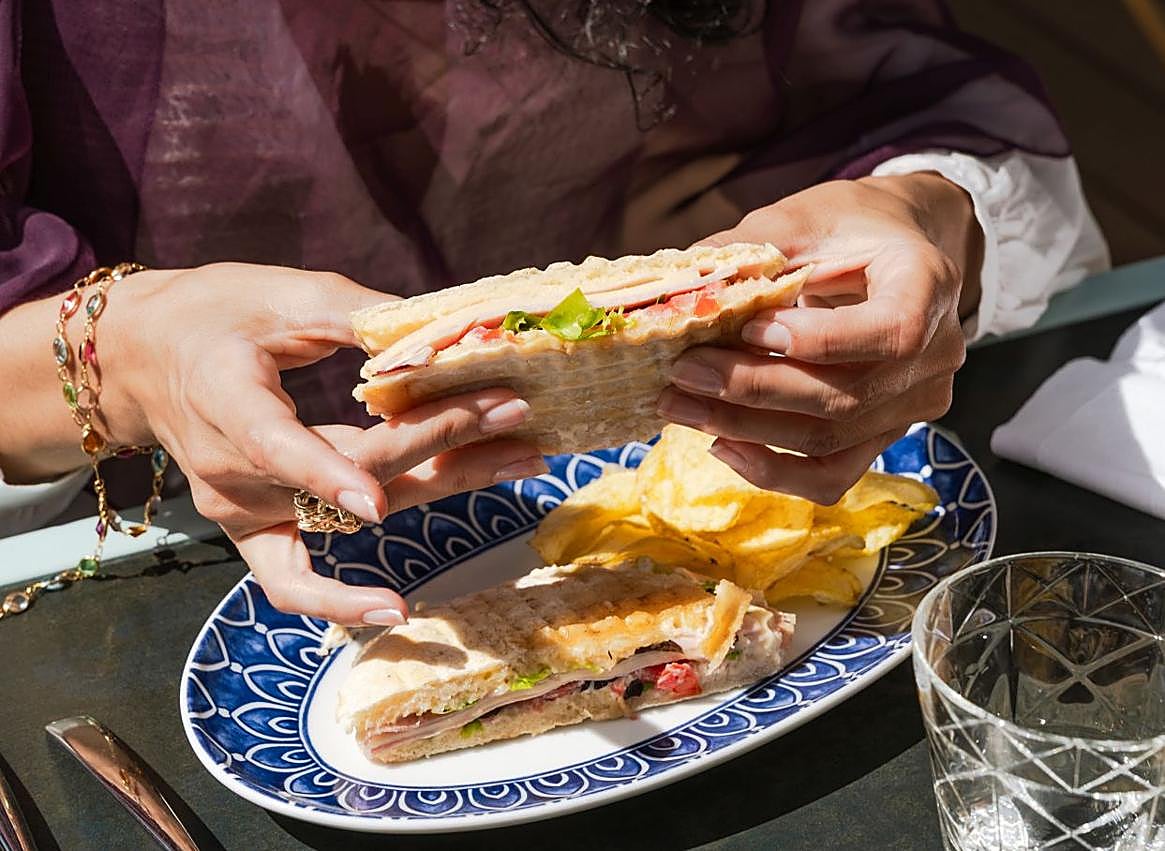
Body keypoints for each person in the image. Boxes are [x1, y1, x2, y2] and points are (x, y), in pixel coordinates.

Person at [0, 1, 1108, 625]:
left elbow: (894, 96)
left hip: (692, 484)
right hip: (146, 572)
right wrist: (129, 349)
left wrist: (918, 212)